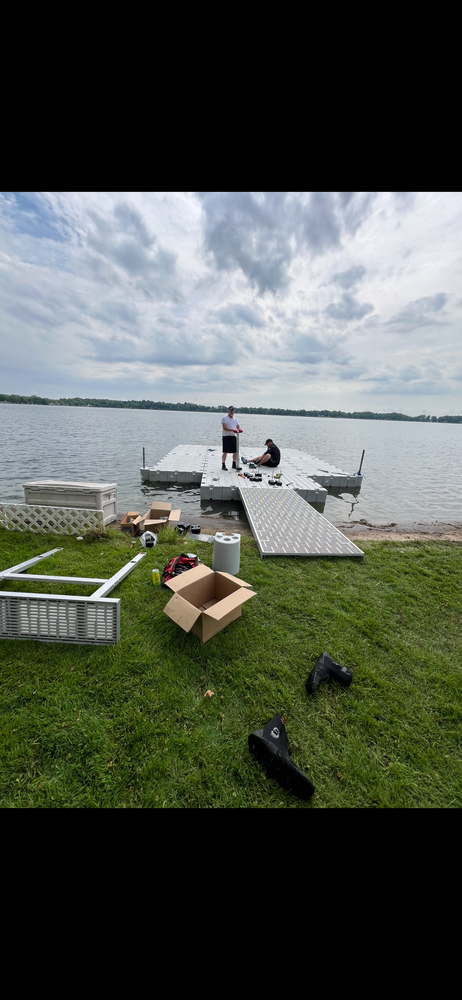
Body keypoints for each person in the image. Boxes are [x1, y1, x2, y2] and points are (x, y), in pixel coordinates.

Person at [221, 406, 243, 471]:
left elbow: (238, 426)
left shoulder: (235, 419)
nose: (232, 412)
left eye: (233, 410)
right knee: (225, 451)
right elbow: (224, 428)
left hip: (233, 436)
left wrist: (239, 429)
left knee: (235, 451)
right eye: (231, 410)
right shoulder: (224, 418)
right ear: (228, 411)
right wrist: (232, 430)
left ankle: (234, 463)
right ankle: (223, 464)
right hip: (226, 436)